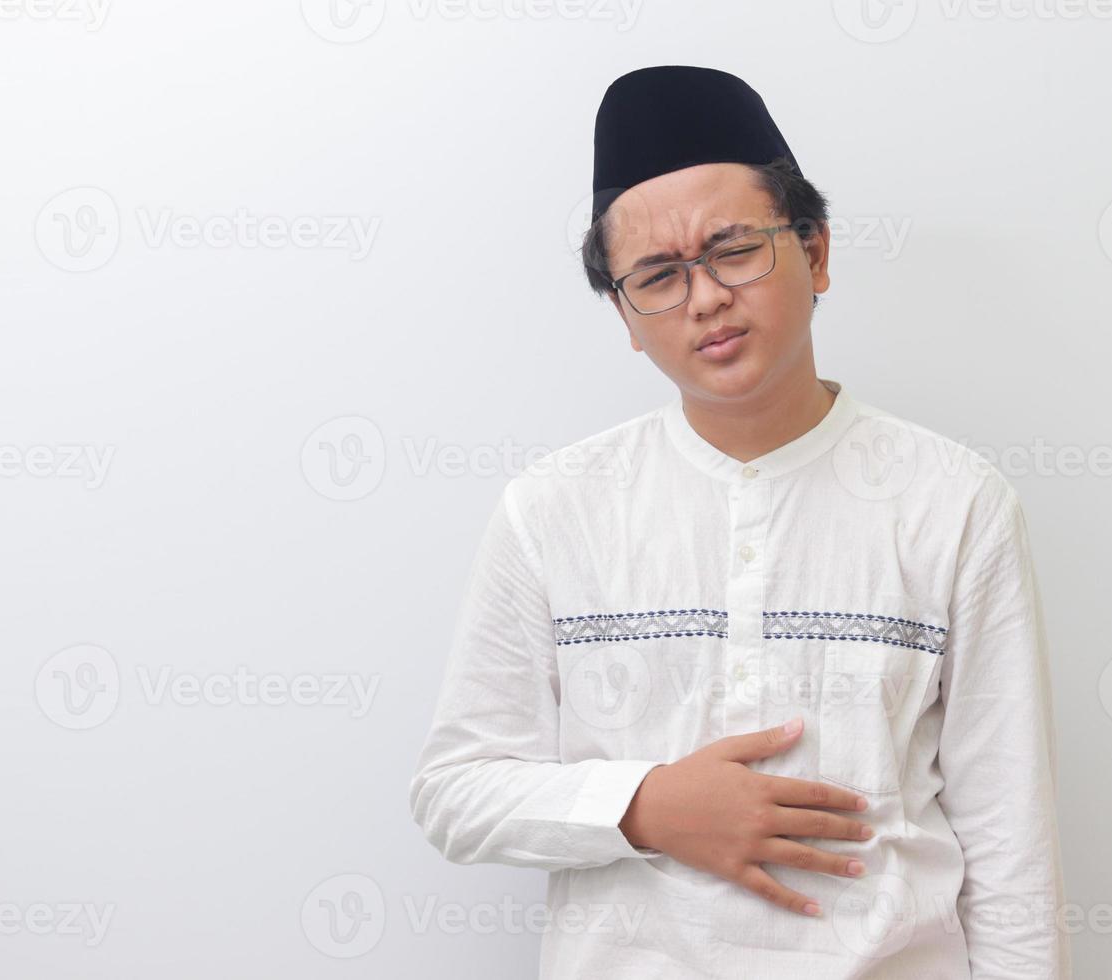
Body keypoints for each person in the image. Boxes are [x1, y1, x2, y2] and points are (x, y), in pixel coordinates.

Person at [409, 64, 1069, 979]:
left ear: (816, 251)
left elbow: (1011, 846)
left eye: (733, 249)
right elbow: (455, 792)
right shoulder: (552, 510)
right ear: (626, 318)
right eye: (658, 276)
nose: (706, 298)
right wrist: (647, 807)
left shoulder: (953, 503)